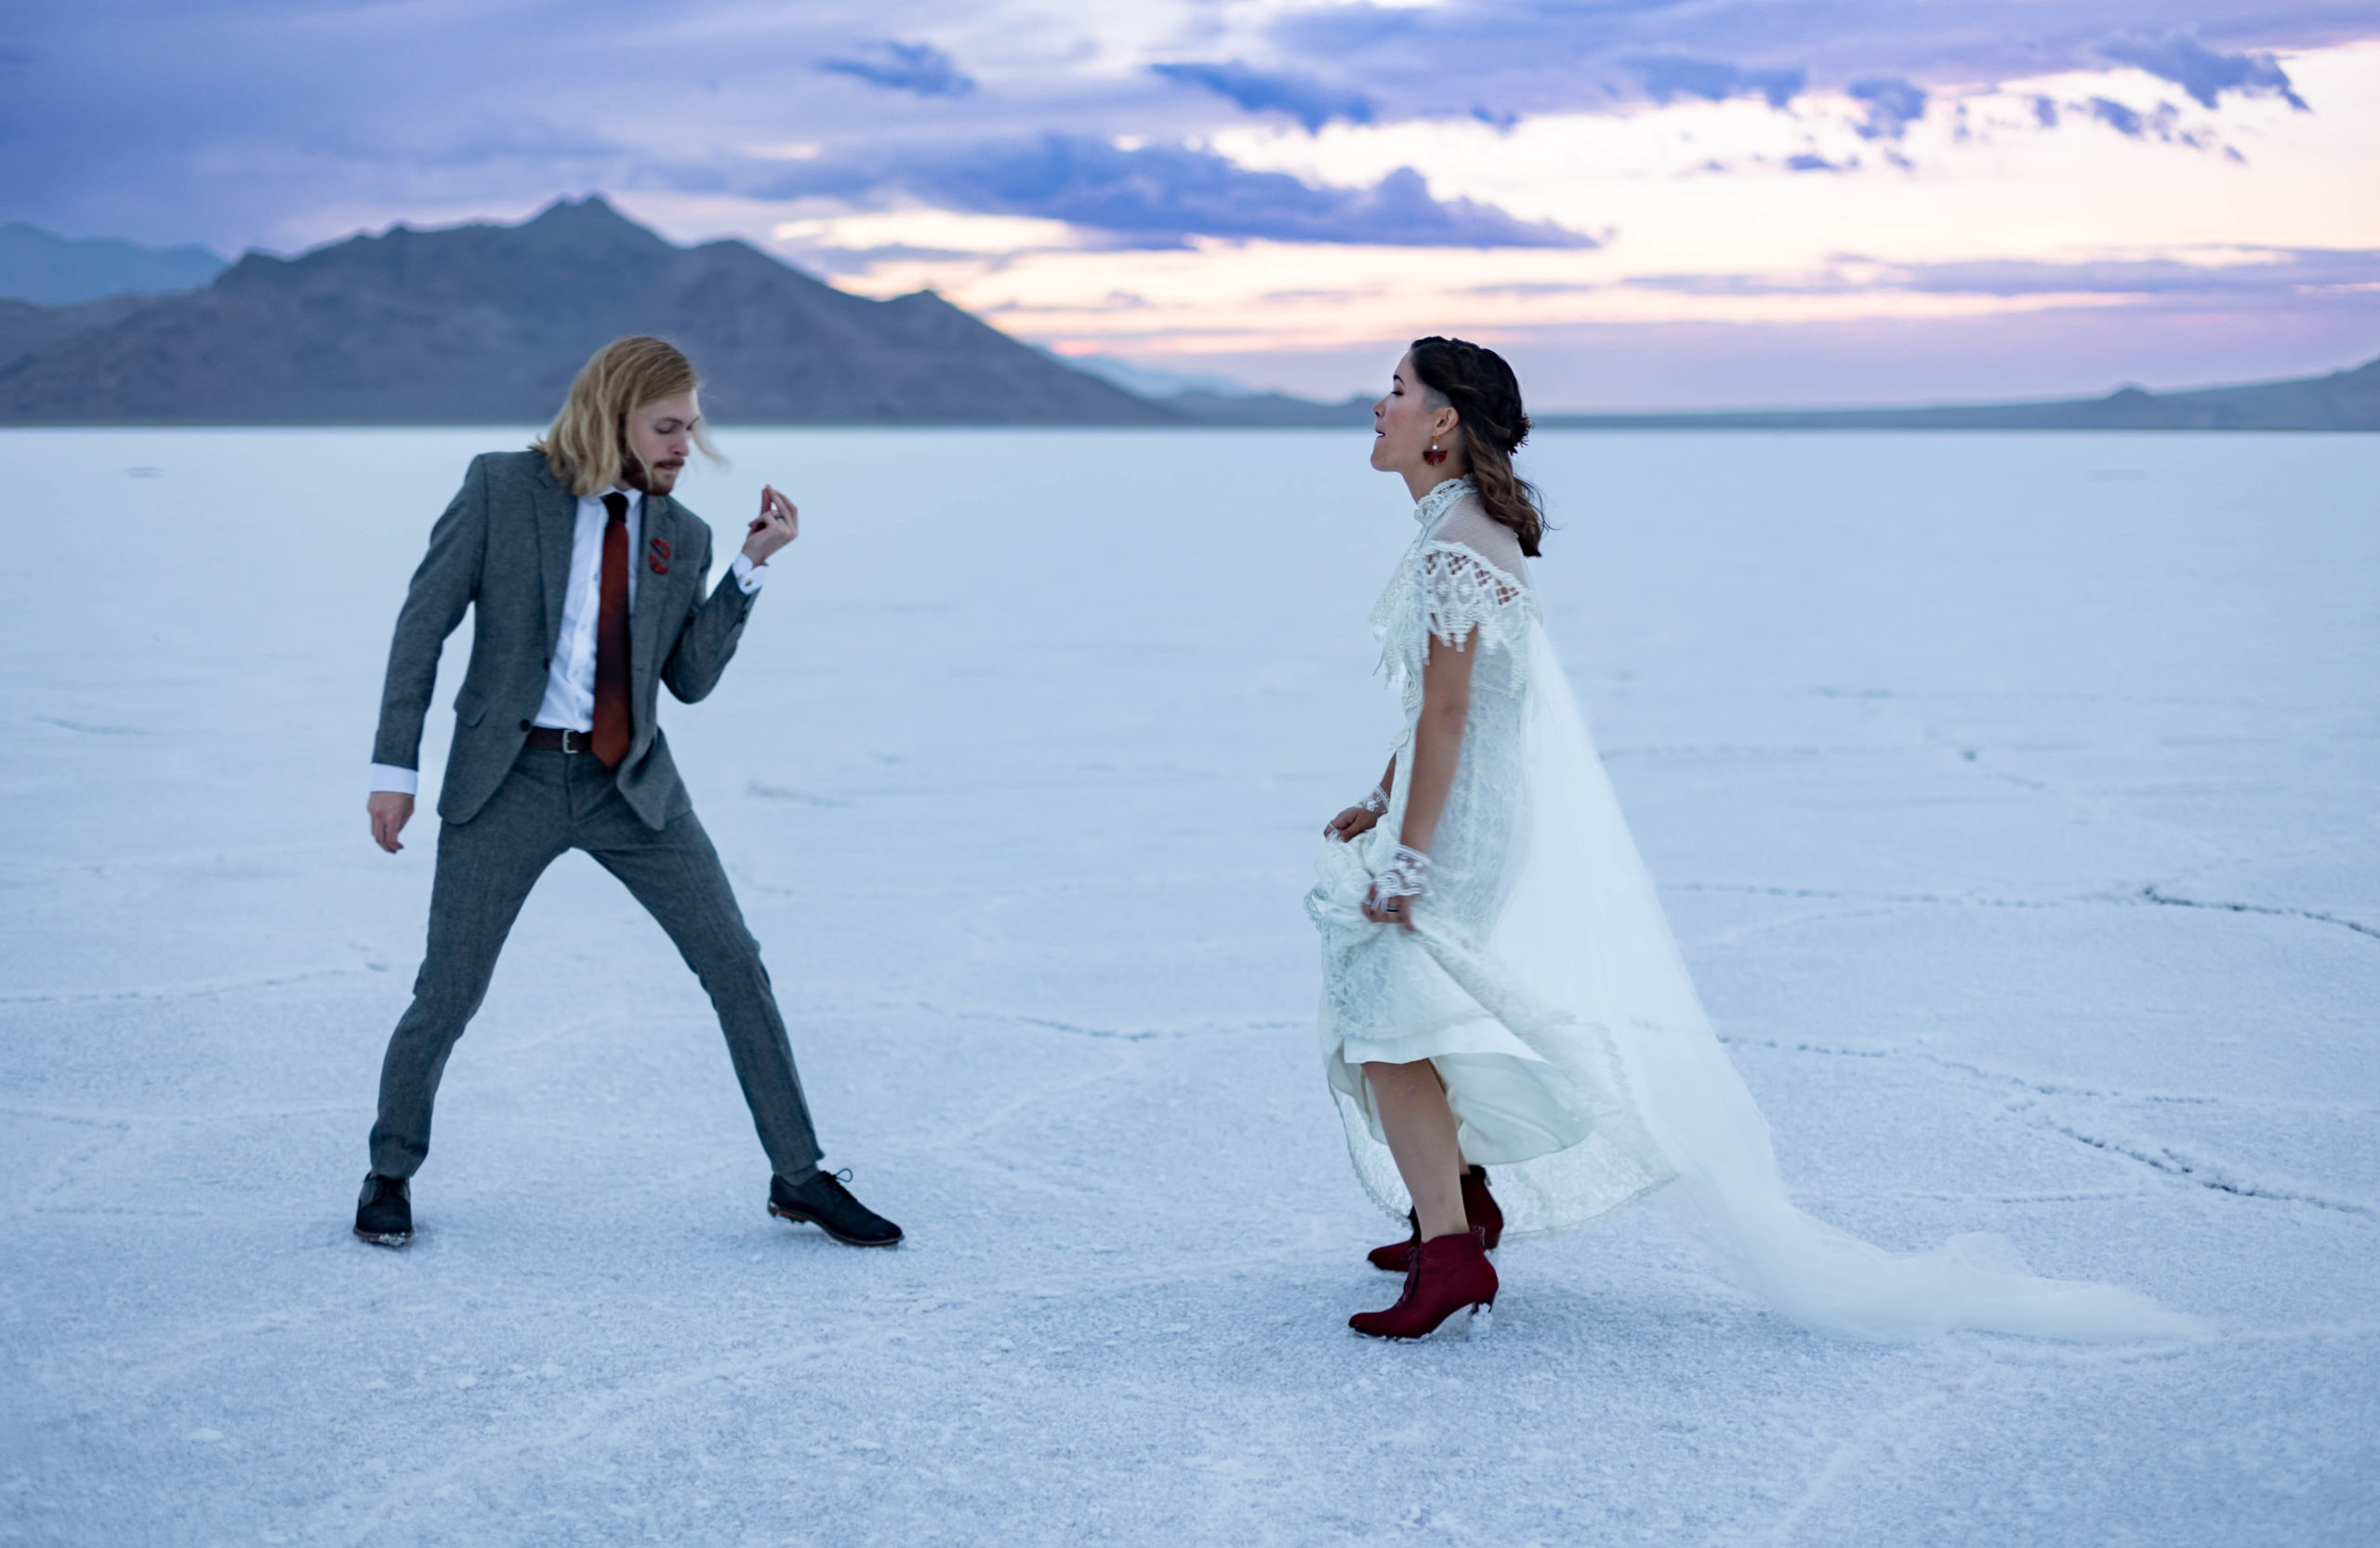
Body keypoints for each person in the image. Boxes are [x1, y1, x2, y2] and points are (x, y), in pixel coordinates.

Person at [1311, 337, 2202, 1343]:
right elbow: (1451, 703)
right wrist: (1386, 800)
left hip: (1464, 817)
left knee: (1390, 1021)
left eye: (1395, 393)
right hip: (1465, 798)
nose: (1376, 407)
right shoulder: (1459, 526)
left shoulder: (1451, 541)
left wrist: (1413, 850)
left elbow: (1453, 712)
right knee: (1410, 1012)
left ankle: (1453, 1249)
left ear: (1442, 423)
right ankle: (1458, 1207)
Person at [354, 335, 900, 1250]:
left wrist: (749, 569)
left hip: (632, 786)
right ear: (613, 415)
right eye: (668, 425)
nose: (687, 443)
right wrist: (393, 772)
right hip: (507, 780)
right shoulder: (499, 488)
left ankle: (799, 1176)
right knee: (448, 989)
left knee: (736, 965)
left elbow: (686, 680)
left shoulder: (678, 536)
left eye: (692, 426)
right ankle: (390, 1172)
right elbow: (423, 628)